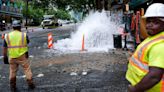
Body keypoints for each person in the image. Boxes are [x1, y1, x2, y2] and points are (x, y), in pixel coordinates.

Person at [126, 3, 164, 92]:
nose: (150, 25)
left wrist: (135, 89)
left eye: (156, 22)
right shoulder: (154, 37)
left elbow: (154, 77)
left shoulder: (160, 46)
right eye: (149, 21)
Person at [3, 20, 35, 92]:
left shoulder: (7, 36)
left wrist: (5, 57)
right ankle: (30, 84)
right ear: (20, 27)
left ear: (12, 27)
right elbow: (27, 42)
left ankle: (13, 86)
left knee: (12, 71)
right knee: (27, 69)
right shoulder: (24, 35)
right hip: (22, 56)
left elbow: (5, 48)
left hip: (12, 57)